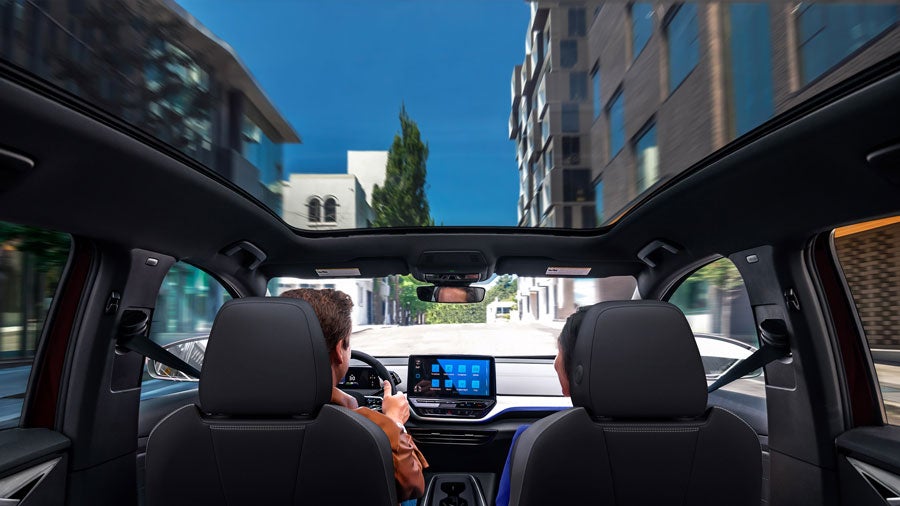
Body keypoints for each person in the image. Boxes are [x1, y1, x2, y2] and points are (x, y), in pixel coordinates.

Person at [281, 288, 429, 503]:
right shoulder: (365, 425)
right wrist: (395, 423)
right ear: (340, 350)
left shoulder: (222, 409)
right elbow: (413, 486)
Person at [494, 306, 589, 506]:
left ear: (575, 370)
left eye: (559, 352)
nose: (555, 361)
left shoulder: (533, 438)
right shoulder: (672, 440)